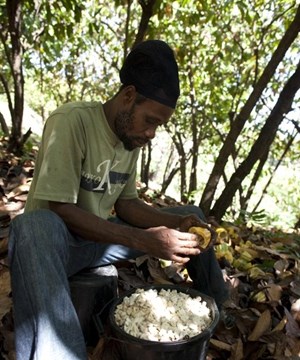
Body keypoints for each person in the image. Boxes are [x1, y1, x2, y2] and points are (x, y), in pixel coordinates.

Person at [8, 40, 228, 360]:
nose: (151, 133)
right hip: (59, 245)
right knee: (32, 227)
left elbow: (126, 204)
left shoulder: (130, 138)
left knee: (193, 213)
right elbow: (60, 208)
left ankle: (217, 306)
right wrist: (144, 240)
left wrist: (174, 223)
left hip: (98, 239)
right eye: (150, 120)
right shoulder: (71, 121)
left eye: (159, 125)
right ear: (128, 96)